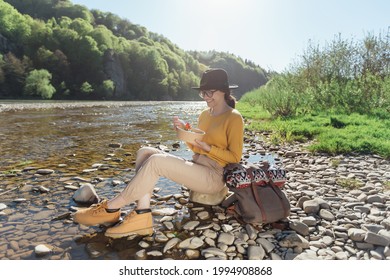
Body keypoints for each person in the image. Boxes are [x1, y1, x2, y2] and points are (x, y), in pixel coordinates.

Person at [73, 68, 244, 238]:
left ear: (223, 90)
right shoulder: (205, 114)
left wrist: (209, 149)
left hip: (214, 176)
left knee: (156, 161)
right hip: (197, 166)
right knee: (145, 152)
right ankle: (142, 215)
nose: (206, 97)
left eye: (209, 92)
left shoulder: (234, 117)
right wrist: (184, 134)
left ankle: (111, 207)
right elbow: (197, 147)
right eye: (203, 93)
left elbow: (235, 157)